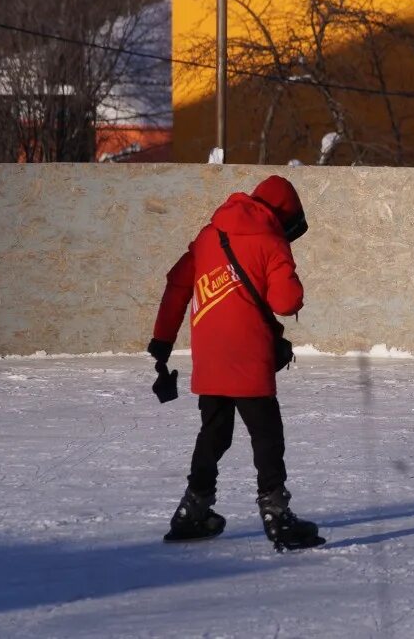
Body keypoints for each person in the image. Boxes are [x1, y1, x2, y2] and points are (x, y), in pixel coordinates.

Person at [147, 174, 325, 550]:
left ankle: (192, 511)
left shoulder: (210, 234)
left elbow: (178, 283)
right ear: (284, 215)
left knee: (214, 434)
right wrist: (289, 275)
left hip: (210, 354)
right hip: (249, 357)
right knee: (266, 435)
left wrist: (162, 341)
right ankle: (277, 515)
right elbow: (285, 301)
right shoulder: (271, 240)